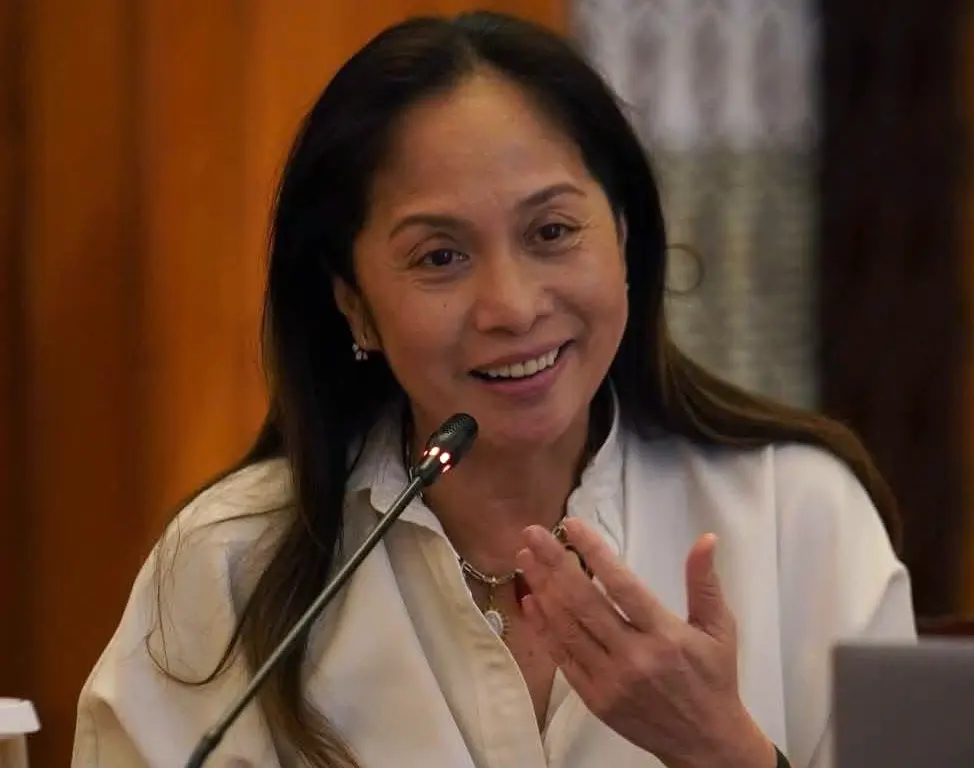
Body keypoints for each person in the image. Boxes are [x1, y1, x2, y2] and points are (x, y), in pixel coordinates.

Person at [71, 11, 916, 768]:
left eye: (552, 231)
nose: (512, 307)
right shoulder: (232, 565)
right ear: (354, 304)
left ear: (624, 239)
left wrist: (722, 753)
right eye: (440, 256)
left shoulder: (797, 516)